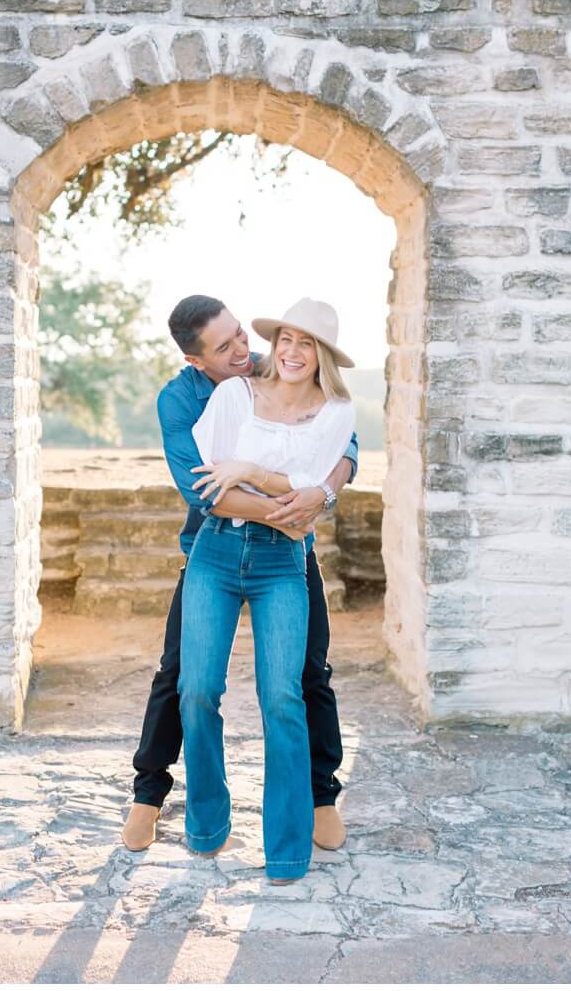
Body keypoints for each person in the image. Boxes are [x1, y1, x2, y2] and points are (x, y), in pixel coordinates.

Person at [121, 295, 358, 859]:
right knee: (184, 680)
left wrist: (317, 492)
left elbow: (339, 450)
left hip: (288, 556)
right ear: (197, 359)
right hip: (215, 548)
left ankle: (319, 798)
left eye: (240, 337)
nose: (242, 351)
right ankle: (150, 796)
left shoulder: (278, 371)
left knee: (304, 680)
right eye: (225, 347)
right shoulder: (186, 399)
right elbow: (207, 493)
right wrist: (291, 504)